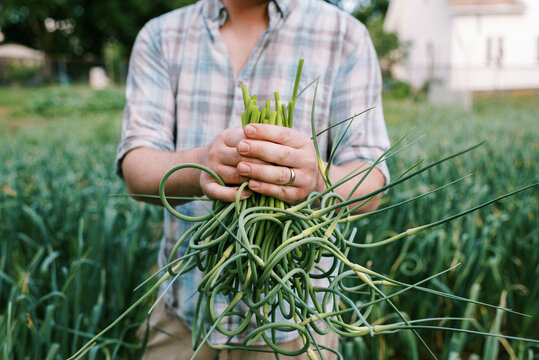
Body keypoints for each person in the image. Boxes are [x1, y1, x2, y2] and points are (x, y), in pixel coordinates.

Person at [115, 0, 391, 358]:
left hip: (297, 324)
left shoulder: (345, 35)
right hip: (184, 319)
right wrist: (201, 163)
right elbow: (137, 171)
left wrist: (317, 178)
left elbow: (371, 185)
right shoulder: (160, 36)